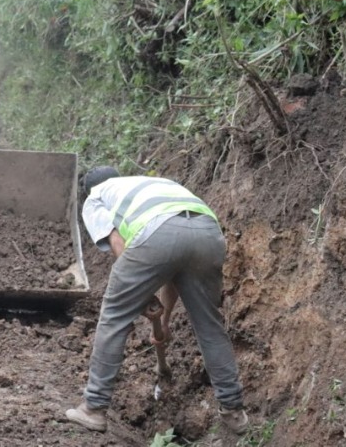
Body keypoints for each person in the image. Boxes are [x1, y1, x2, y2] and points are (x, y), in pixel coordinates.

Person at [65, 166, 249, 435]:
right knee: (210, 326)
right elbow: (175, 265)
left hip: (156, 235)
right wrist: (163, 320)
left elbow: (119, 244)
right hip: (208, 233)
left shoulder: (96, 197)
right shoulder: (153, 182)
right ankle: (234, 411)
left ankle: (93, 408)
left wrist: (142, 294)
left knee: (114, 317)